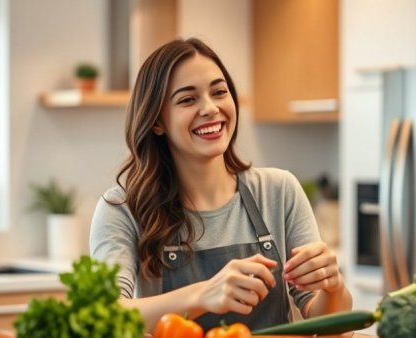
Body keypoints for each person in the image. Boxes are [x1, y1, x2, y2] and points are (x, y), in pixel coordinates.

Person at [89, 37, 352, 332]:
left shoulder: (279, 191)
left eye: (219, 92)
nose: (211, 108)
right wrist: (203, 294)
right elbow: (105, 317)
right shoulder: (123, 209)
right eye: (188, 99)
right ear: (157, 122)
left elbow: (332, 327)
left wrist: (332, 287)